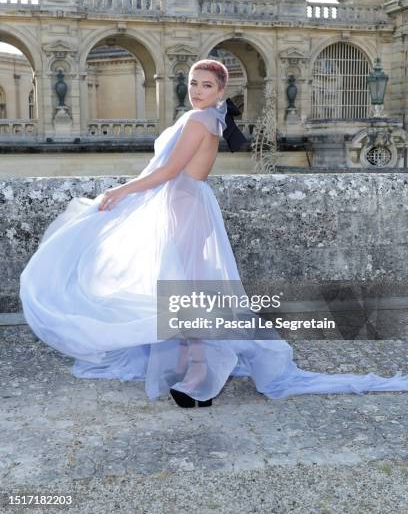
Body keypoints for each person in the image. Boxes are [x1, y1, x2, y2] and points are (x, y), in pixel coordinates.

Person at [20, 59, 408, 409]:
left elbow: (169, 172)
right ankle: (195, 368)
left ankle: (201, 375)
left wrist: (120, 191)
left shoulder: (199, 120)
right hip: (185, 204)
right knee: (187, 291)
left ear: (221, 91)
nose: (197, 90)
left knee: (188, 293)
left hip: (185, 205)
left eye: (207, 85)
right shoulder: (209, 118)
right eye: (193, 83)